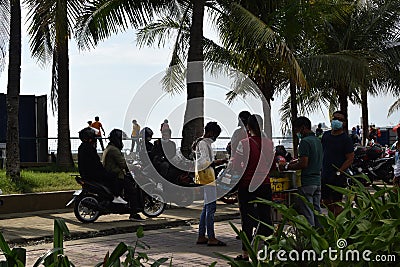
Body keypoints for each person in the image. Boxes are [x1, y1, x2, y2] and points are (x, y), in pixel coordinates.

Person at [231, 114, 274, 261]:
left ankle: (246, 253)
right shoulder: (270, 144)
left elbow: (237, 166)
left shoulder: (244, 144)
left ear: (248, 127)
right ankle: (269, 251)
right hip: (265, 184)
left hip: (247, 185)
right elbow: (272, 165)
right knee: (266, 218)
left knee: (247, 220)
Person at [279, 116, 322, 227]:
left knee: (307, 213)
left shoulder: (304, 142)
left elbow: (303, 163)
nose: (296, 133)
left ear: (303, 128)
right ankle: (322, 236)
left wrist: (287, 167)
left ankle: (310, 239)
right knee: (317, 212)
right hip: (317, 181)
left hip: (306, 181)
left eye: (296, 130)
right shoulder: (317, 140)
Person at [195, 122, 227, 246]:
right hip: (208, 177)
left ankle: (202, 235)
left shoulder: (203, 143)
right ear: (211, 133)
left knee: (206, 207)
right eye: (216, 135)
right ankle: (211, 237)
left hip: (205, 177)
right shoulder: (204, 144)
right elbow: (205, 161)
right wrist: (218, 162)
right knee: (211, 208)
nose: (216, 138)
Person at [102, 129, 144, 221]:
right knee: (132, 190)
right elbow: (123, 164)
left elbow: (120, 161)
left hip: (112, 174)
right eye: (120, 139)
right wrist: (135, 167)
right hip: (116, 176)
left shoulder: (109, 148)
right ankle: (133, 213)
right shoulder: (114, 150)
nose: (121, 142)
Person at [77, 127, 127, 204]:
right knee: (114, 177)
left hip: (87, 173)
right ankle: (116, 196)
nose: (95, 139)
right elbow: (96, 163)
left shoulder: (82, 147)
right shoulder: (89, 148)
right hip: (93, 173)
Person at [321, 111, 354, 217]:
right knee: (325, 200)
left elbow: (350, 158)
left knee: (337, 202)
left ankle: (338, 222)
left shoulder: (346, 139)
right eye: (335, 118)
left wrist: (340, 171)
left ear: (344, 123)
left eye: (340, 119)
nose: (336, 121)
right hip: (325, 173)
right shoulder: (326, 136)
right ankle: (334, 218)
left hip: (338, 176)